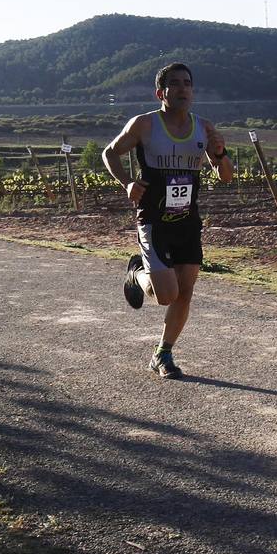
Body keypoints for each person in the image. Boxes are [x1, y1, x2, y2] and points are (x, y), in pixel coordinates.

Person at [102, 62, 232, 379]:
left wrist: (220, 153)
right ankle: (136, 274)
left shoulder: (204, 128)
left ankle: (163, 354)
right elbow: (110, 153)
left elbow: (226, 176)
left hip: (187, 220)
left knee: (185, 291)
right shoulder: (144, 124)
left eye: (187, 83)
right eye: (174, 83)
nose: (182, 88)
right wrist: (127, 183)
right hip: (154, 220)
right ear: (161, 92)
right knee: (166, 296)